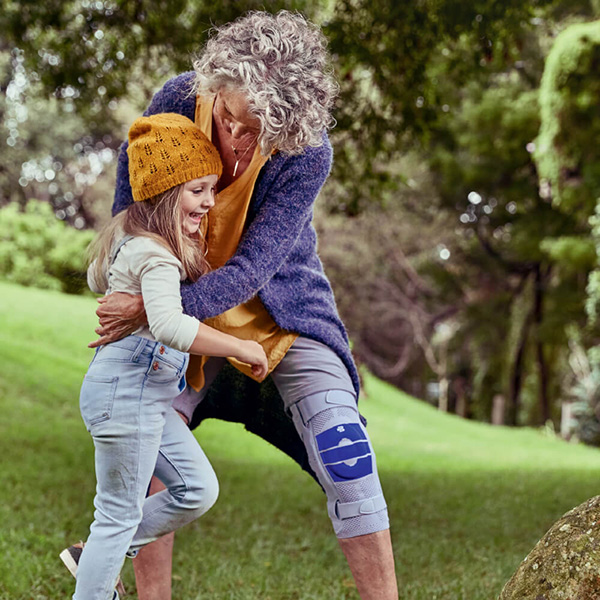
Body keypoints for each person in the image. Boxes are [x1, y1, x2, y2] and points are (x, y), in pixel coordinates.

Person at [92, 10, 399, 600]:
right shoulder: (179, 100)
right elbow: (131, 220)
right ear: (213, 88)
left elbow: (254, 268)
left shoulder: (308, 152)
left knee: (347, 452)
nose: (238, 141)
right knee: (147, 451)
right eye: (231, 120)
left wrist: (154, 309)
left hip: (281, 319)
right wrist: (142, 303)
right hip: (177, 317)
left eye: (260, 133)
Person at [61, 112, 269, 600]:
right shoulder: (154, 254)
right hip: (127, 396)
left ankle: (94, 553)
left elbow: (100, 282)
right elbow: (170, 326)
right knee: (118, 513)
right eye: (197, 189)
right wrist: (240, 346)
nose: (209, 202)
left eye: (212, 189)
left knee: (197, 489)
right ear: (165, 191)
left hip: (146, 398)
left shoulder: (131, 241)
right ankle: (97, 576)